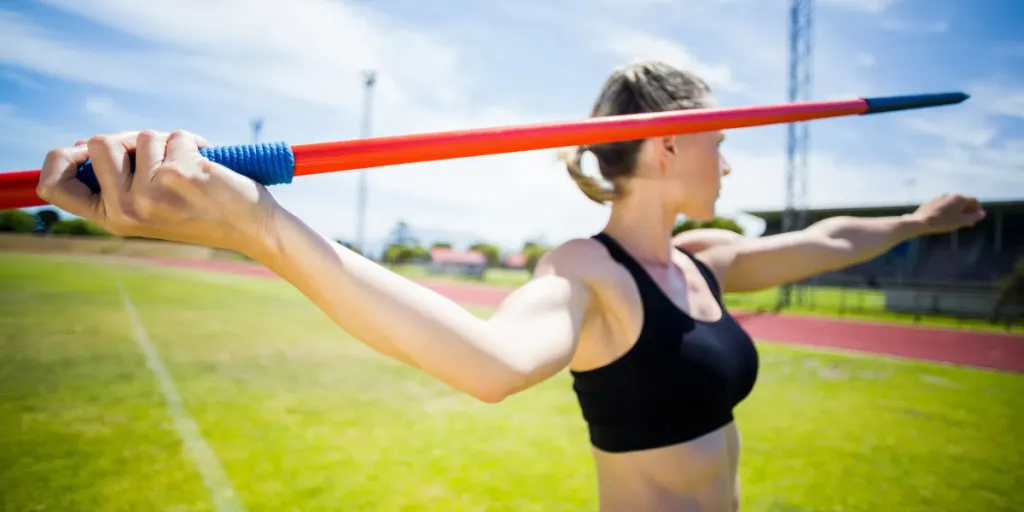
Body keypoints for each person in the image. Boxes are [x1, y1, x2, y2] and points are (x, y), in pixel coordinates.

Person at [36, 60, 985, 511]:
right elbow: (487, 363)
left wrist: (911, 223)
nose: (730, 163)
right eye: (720, 139)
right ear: (666, 143)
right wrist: (258, 224)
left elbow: (827, 239)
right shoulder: (584, 273)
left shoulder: (709, 261)